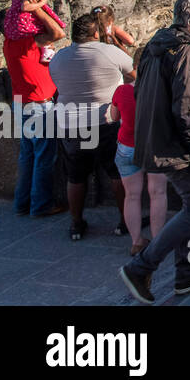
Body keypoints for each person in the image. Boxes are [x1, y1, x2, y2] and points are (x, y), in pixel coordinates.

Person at [119, 0, 190, 303]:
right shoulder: (186, 51)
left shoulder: (157, 45)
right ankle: (141, 267)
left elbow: (141, 93)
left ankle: (189, 274)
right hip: (180, 146)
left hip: (158, 141)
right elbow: (188, 106)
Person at [48, 14, 133, 241]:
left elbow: (57, 85)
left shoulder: (59, 58)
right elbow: (134, 73)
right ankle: (125, 221)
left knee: (75, 176)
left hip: (70, 124)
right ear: (96, 33)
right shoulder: (108, 52)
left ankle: (76, 224)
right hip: (105, 120)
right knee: (116, 173)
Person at [1, 0, 67, 218]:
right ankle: (41, 205)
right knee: (44, 156)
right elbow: (58, 33)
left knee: (27, 155)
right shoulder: (27, 42)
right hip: (38, 104)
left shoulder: (9, 43)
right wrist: (38, 8)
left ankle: (21, 203)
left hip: (21, 102)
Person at [109, 74, 167, 257]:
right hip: (154, 147)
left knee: (132, 196)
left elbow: (113, 116)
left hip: (127, 148)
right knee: (157, 193)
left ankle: (136, 242)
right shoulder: (161, 92)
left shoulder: (122, 90)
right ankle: (157, 242)